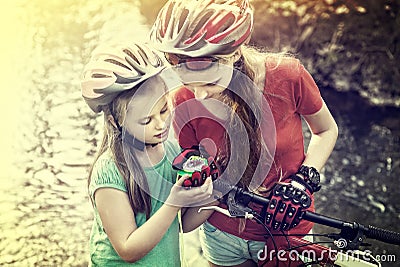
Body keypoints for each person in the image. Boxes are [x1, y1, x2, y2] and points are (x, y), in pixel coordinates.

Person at [149, 0, 339, 266]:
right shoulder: (182, 99)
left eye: (210, 82)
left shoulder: (288, 76)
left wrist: (302, 183)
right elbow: (194, 156)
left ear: (234, 55)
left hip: (287, 229)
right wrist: (197, 172)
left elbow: (326, 130)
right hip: (220, 232)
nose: (199, 94)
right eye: (189, 83)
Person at [80, 42, 213, 266]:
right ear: (115, 121)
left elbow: (181, 224)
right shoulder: (109, 171)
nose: (161, 124)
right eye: (146, 120)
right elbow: (127, 248)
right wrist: (174, 202)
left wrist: (213, 192)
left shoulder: (171, 152)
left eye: (163, 110)